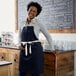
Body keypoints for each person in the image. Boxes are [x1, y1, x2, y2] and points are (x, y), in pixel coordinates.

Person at [18, 1, 53, 76]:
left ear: (37, 13)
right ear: (28, 10)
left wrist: (52, 49)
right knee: (21, 72)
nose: (32, 12)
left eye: (34, 11)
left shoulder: (39, 23)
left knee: (35, 73)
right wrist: (18, 45)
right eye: (31, 10)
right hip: (24, 50)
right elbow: (19, 36)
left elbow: (48, 36)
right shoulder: (22, 23)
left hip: (35, 51)